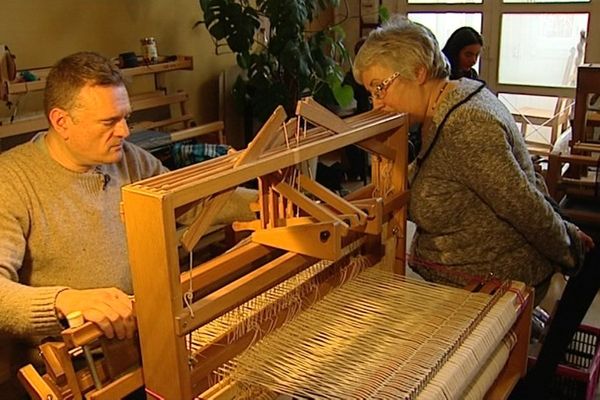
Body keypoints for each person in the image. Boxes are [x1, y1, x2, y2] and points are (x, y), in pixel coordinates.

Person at [353, 16, 597, 399]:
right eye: (371, 92)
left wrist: (569, 250)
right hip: (461, 281)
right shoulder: (455, 102)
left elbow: (523, 204)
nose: (376, 102)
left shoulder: (466, 123)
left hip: (486, 288)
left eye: (380, 87)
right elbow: (450, 169)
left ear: (418, 72)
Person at [0, 52, 254, 398]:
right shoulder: (12, 182)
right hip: (72, 370)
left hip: (143, 341)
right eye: (109, 122)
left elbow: (189, 204)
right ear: (61, 122)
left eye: (126, 118)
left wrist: (263, 199)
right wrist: (65, 300)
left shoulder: (129, 160)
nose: (124, 131)